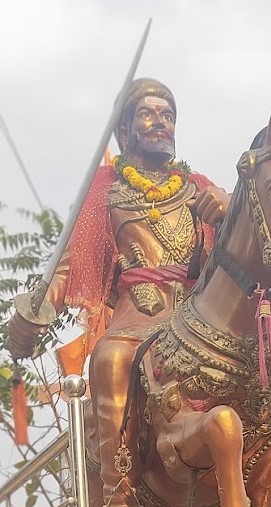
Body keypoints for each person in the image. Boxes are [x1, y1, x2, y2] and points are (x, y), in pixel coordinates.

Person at [8, 78, 230, 507]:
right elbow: (68, 269)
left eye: (167, 116)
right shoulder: (107, 193)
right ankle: (117, 488)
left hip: (198, 321)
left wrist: (227, 203)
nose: (160, 123)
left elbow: (248, 234)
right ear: (125, 133)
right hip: (137, 323)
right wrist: (33, 315)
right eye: (147, 114)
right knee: (109, 358)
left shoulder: (198, 188)